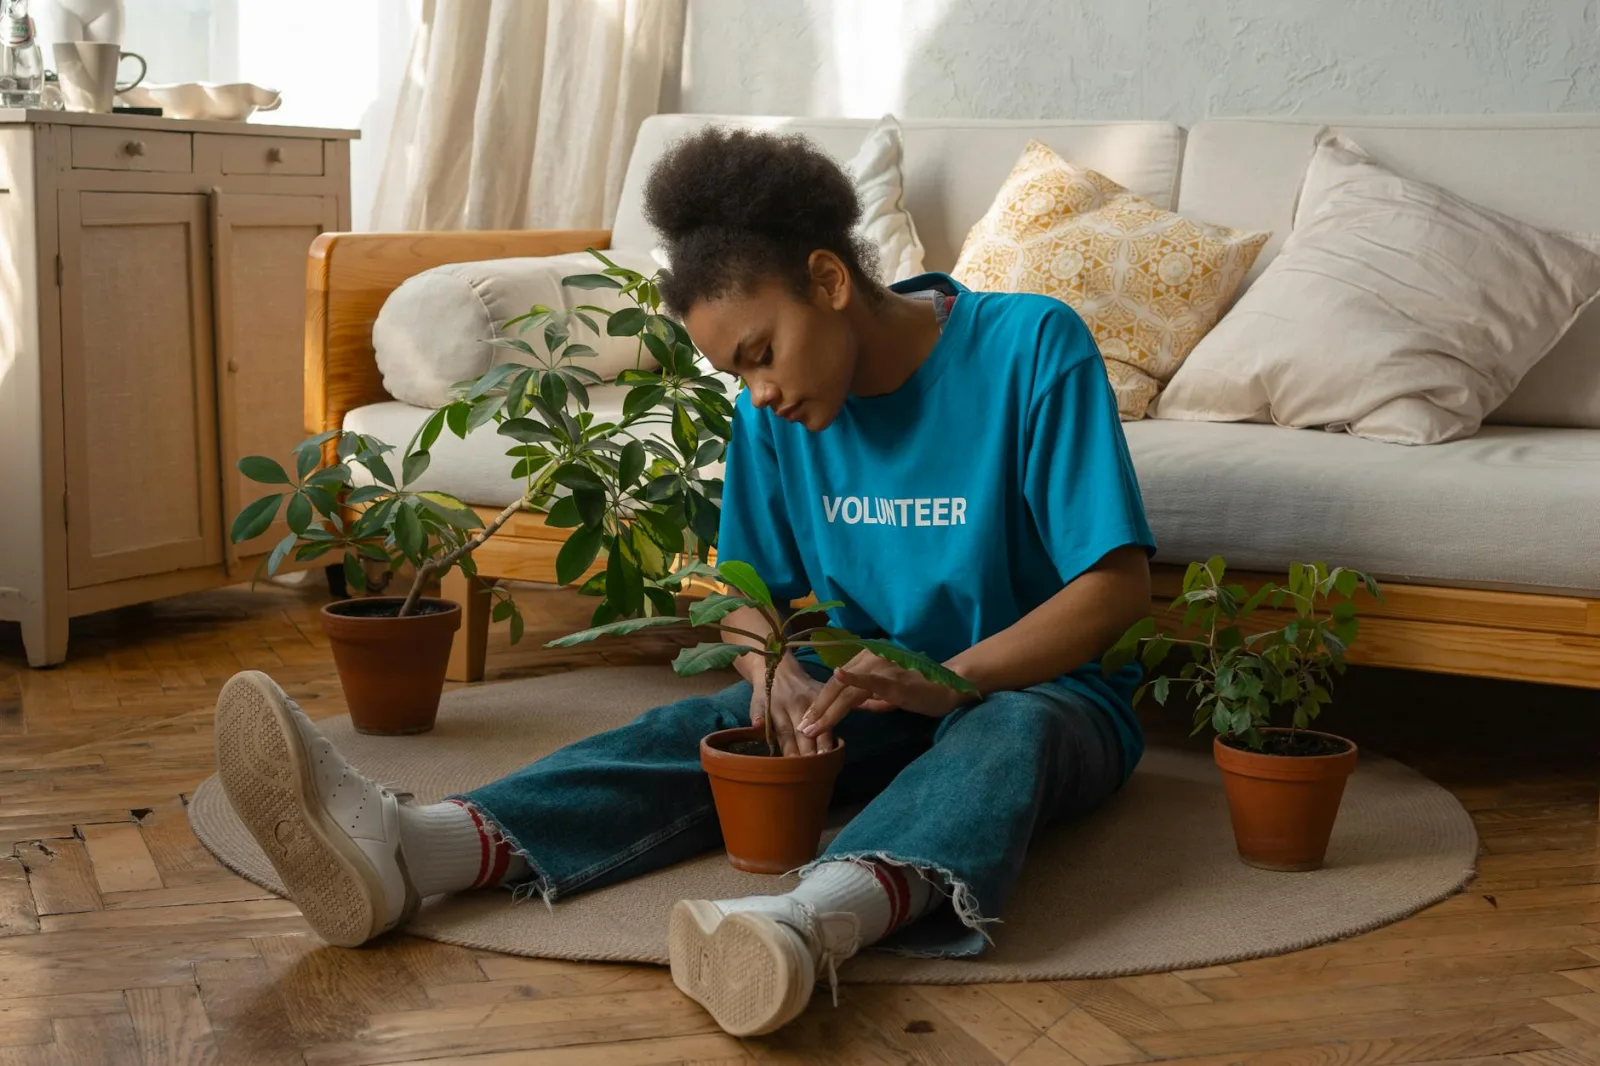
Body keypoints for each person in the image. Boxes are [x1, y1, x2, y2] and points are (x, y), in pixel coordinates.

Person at [213, 126, 1155, 1037]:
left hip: (1043, 695)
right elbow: (744, 590)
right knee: (706, 726)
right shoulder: (773, 418)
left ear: (828, 279)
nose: (760, 392)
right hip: (865, 694)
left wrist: (950, 679)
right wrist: (768, 670)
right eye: (734, 373)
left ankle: (803, 925)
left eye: (760, 353)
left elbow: (1115, 588)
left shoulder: (1031, 346)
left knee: (1008, 730)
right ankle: (420, 848)